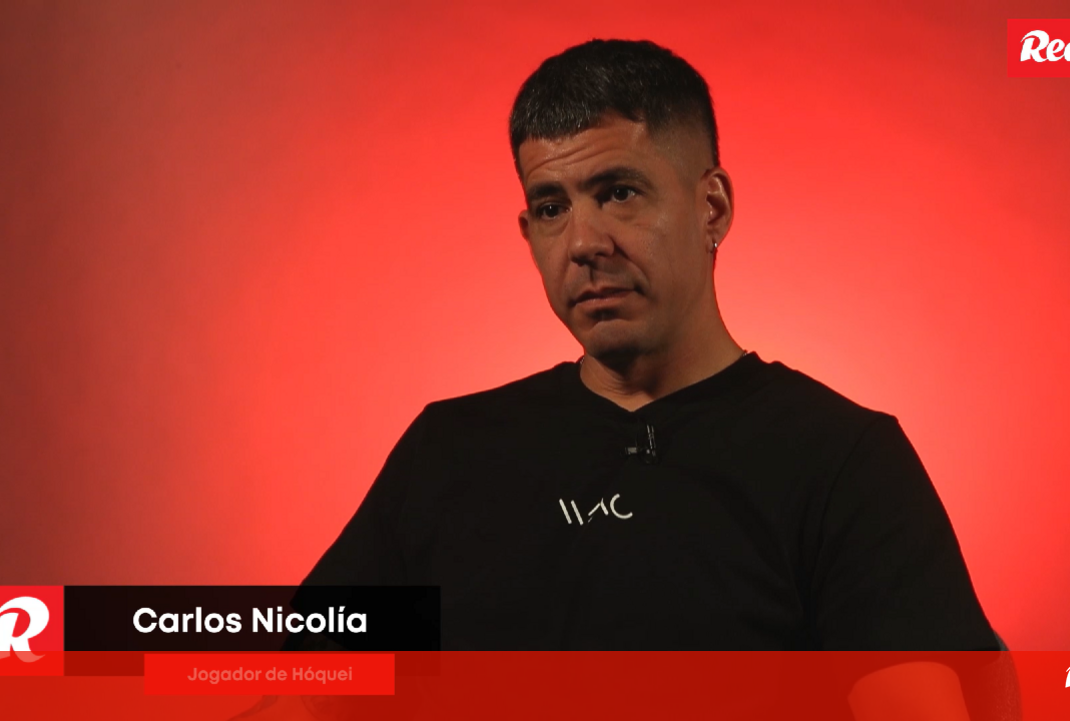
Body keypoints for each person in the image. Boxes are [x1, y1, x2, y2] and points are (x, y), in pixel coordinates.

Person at [237, 38, 1011, 720]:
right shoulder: (448, 451)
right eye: (551, 206)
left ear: (712, 207)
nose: (583, 242)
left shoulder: (841, 460)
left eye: (618, 192)